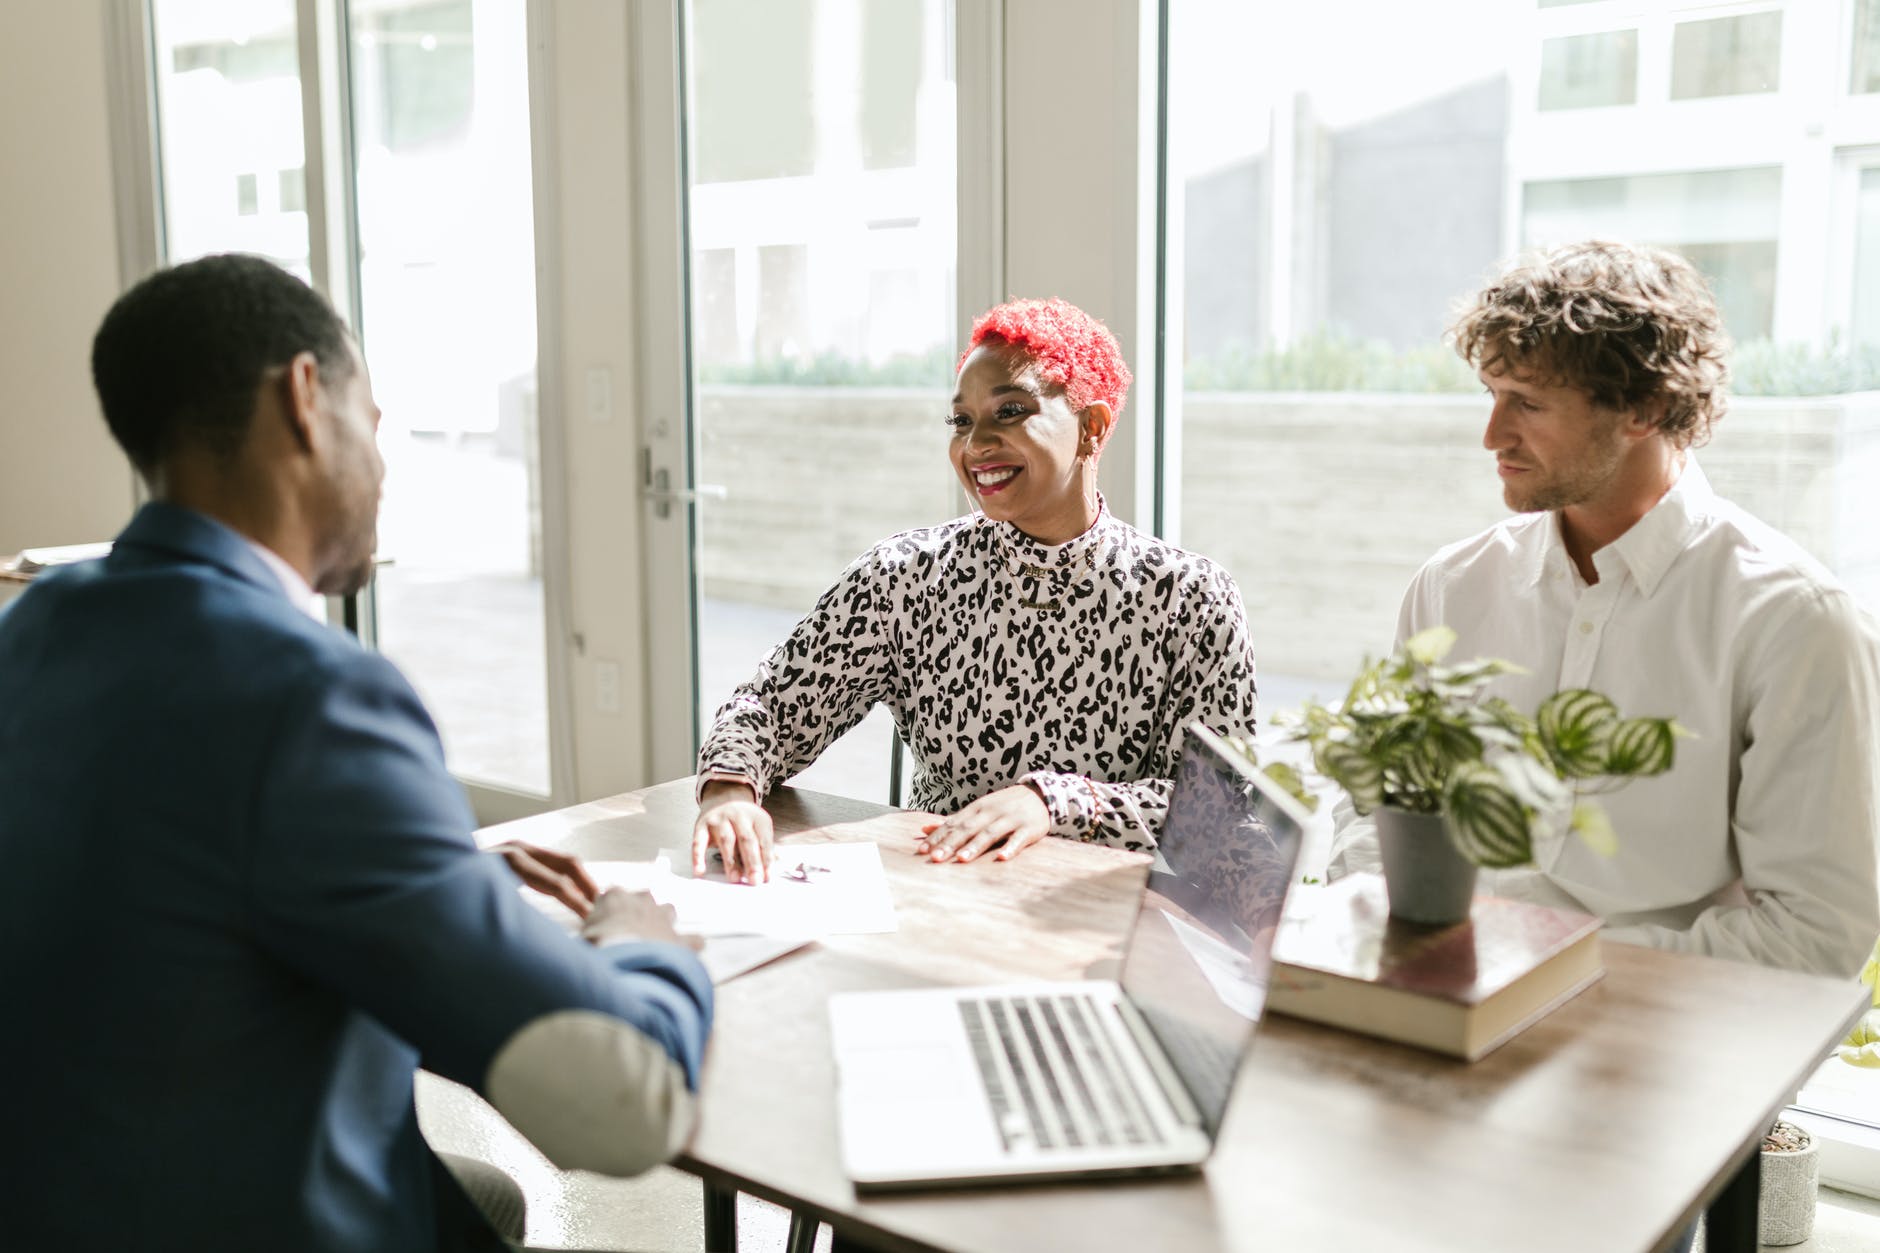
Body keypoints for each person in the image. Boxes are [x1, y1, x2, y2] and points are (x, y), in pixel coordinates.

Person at [0, 254, 713, 1251]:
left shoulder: (34, 628)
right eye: (374, 424)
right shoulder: (308, 693)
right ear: (303, 399)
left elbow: (165, 868)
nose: (381, 467)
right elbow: (621, 1100)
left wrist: (419, 872)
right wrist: (644, 943)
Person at [1329, 240, 1880, 978]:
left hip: (1659, 1050)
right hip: (1433, 1007)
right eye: (1492, 395)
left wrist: (1537, 965)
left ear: (1644, 409)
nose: (1492, 435)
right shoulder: (1453, 586)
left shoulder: (1792, 621)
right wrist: (1401, 931)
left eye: (1526, 402)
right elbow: (1371, 810)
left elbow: (1815, 937)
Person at [693, 297, 1259, 882]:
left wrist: (1053, 801)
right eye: (961, 421)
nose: (975, 444)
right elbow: (771, 704)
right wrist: (730, 789)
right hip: (938, 902)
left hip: (1093, 927)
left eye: (1010, 411)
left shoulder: (1192, 598)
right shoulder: (904, 576)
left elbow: (1219, 818)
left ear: (1092, 428)